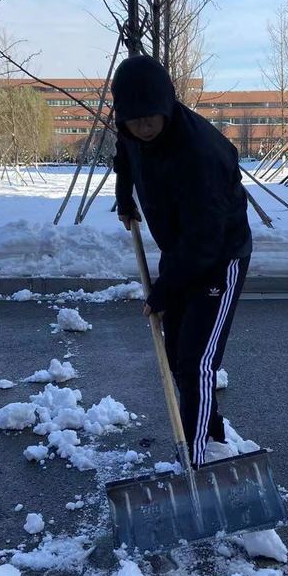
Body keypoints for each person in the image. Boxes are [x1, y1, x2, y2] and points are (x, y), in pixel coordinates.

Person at [111, 55, 252, 467]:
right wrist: (124, 197)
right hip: (180, 252)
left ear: (167, 105)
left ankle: (196, 458)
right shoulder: (132, 132)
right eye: (134, 120)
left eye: (150, 118)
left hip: (219, 256)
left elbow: (205, 240)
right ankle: (212, 435)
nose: (143, 128)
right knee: (175, 355)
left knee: (197, 362)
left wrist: (162, 291)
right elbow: (125, 155)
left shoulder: (201, 153)